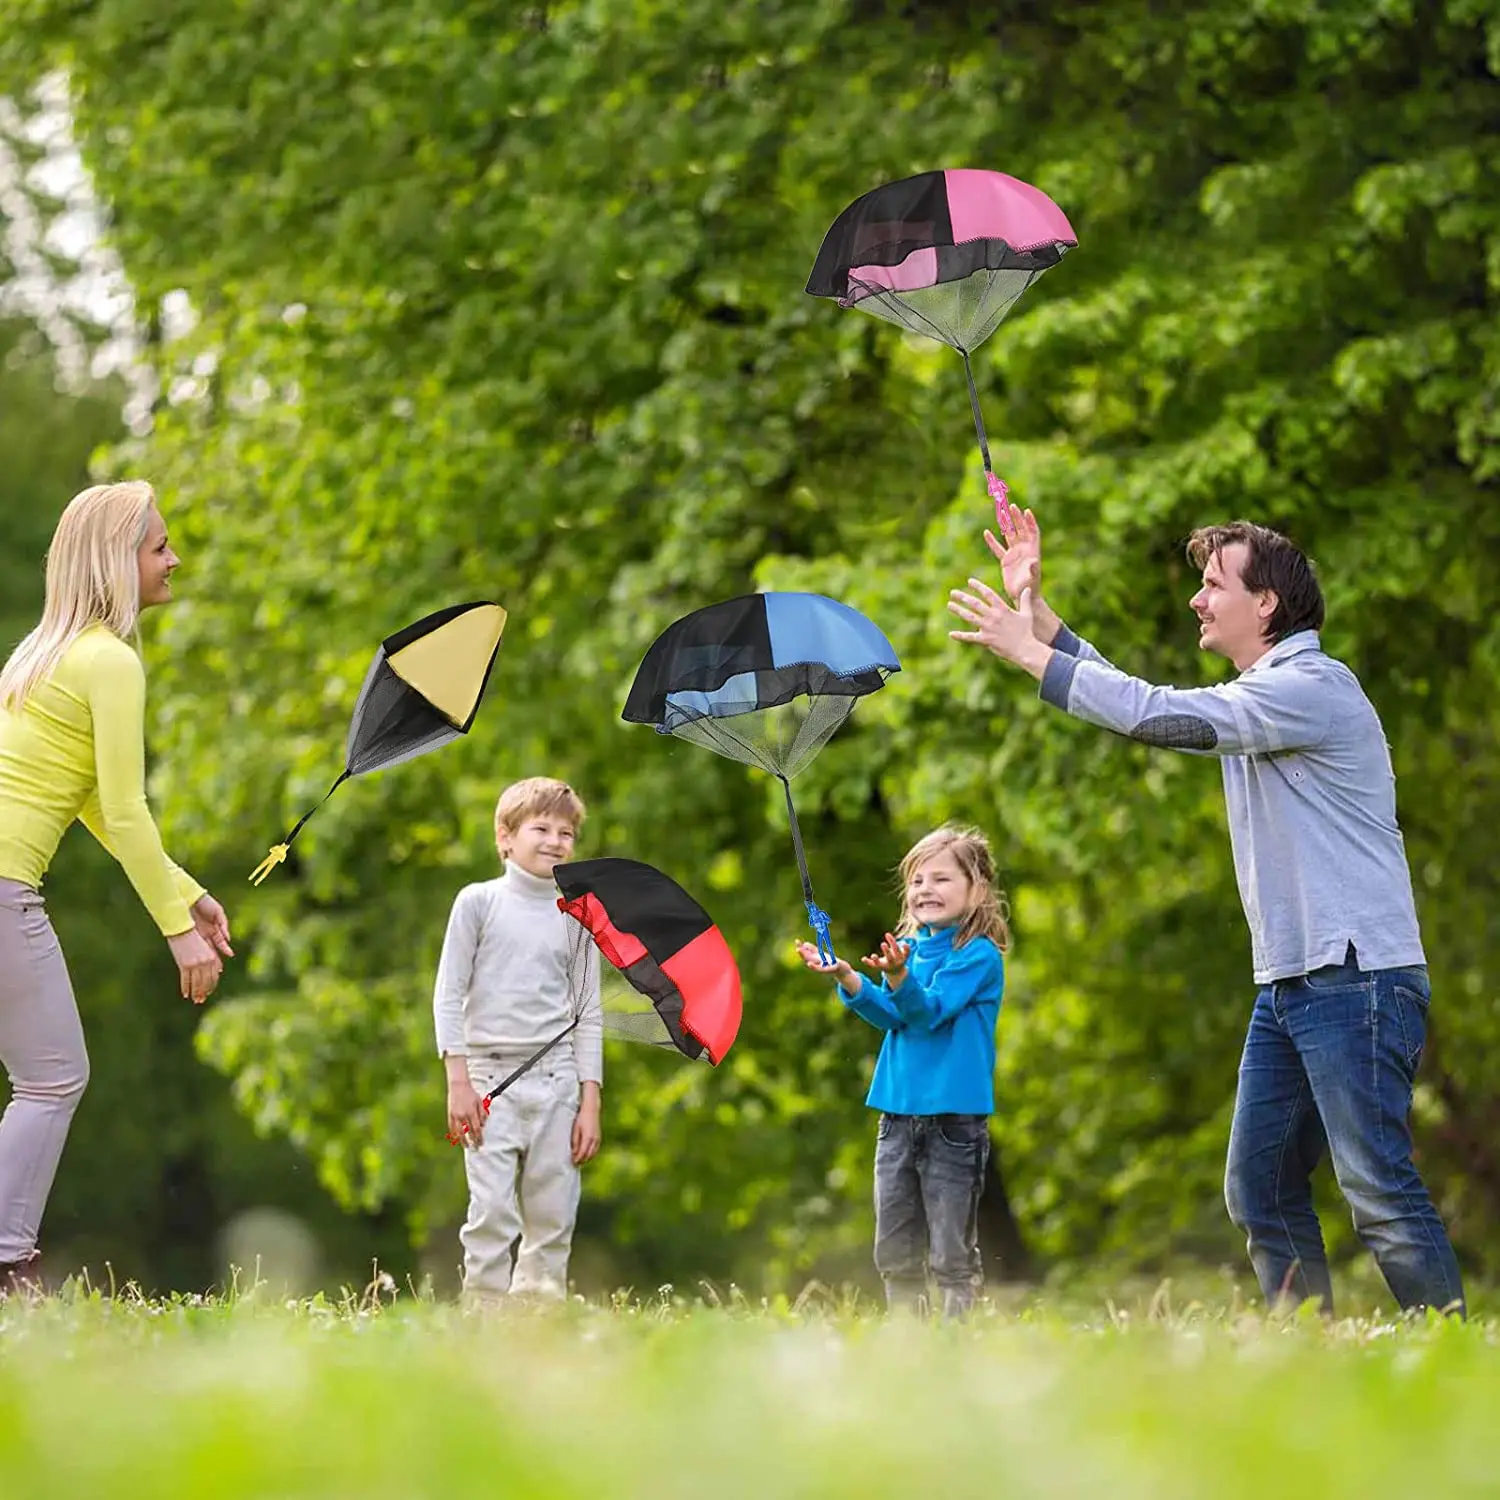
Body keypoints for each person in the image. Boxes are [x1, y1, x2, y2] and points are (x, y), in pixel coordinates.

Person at [947, 502, 1465, 1319]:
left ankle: (1451, 1356)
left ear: (1266, 604)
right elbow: (1151, 699)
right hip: (1295, 983)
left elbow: (1165, 716)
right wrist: (1037, 614)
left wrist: (1031, 658)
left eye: (1212, 583)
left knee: (1377, 1192)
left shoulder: (1311, 689)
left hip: (1355, 978)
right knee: (1258, 1187)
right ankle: (1309, 1354)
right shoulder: (1265, 691)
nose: (1197, 599)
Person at [0, 481, 234, 1295]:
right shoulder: (110, 660)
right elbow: (129, 810)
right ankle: (5, 1263)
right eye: (158, 547)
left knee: (46, 1075)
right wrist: (177, 930)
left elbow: (97, 808)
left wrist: (187, 891)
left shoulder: (39, 653)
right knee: (54, 1075)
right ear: (115, 560)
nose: (174, 560)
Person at [798, 824, 1008, 1319]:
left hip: (954, 1122)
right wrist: (850, 977)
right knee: (894, 1245)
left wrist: (896, 976)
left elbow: (928, 1011)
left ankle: (957, 1334)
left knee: (950, 1250)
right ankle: (907, 1337)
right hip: (896, 1118)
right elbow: (894, 1017)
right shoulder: (910, 952)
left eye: (940, 879)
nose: (924, 890)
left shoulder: (976, 956)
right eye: (916, 881)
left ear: (976, 889)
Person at [433, 776, 603, 1305]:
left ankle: (536, 1320)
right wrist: (457, 1082)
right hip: (488, 1080)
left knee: (553, 1210)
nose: (555, 841)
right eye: (541, 828)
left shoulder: (579, 917)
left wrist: (590, 1100)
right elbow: (447, 995)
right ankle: (482, 1314)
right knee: (491, 1210)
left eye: (567, 832)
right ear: (505, 837)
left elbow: (588, 1013)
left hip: (557, 1085)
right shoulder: (478, 903)